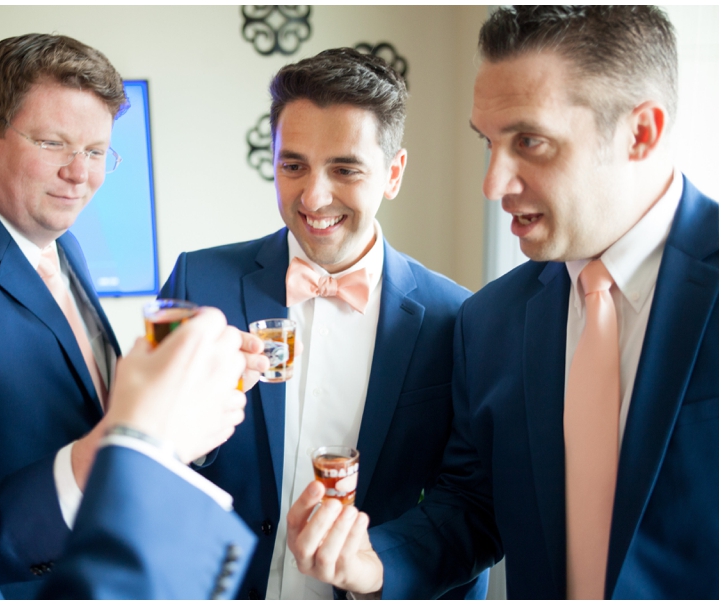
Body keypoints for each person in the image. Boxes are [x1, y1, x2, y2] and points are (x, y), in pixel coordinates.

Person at [285, 5, 718, 600]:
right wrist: (375, 562)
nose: (492, 183)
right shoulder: (487, 321)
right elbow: (472, 509)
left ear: (640, 133)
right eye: (488, 142)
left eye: (530, 142)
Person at [0, 7, 258, 599]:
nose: (79, 174)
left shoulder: (64, 245)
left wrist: (178, 419)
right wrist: (130, 447)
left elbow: (93, 414)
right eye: (54, 143)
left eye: (97, 152)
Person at [160, 47, 487, 599]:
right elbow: (139, 458)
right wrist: (189, 420)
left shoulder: (459, 318)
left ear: (394, 173)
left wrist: (379, 569)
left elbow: (472, 507)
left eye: (344, 168)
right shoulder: (197, 283)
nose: (313, 196)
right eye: (294, 165)